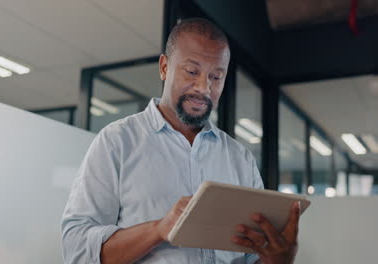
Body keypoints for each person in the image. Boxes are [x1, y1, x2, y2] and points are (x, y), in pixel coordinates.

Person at [61, 18, 301, 264]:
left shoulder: (240, 158)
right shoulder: (117, 142)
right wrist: (158, 230)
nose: (203, 87)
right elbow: (77, 249)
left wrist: (278, 259)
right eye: (192, 71)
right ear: (164, 67)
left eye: (216, 77)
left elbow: (251, 257)